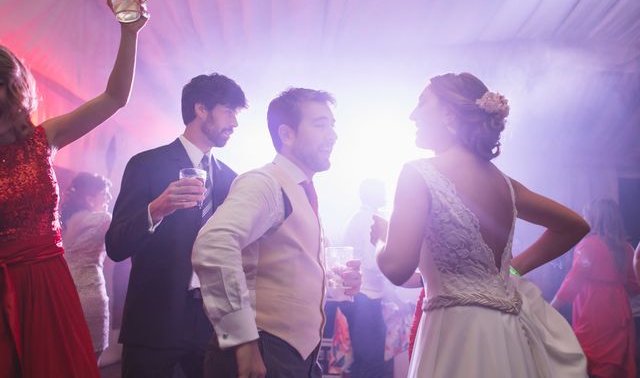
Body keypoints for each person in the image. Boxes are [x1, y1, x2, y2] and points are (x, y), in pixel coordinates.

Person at [373, 72, 590, 377]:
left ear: (449, 114)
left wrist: (382, 240)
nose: (413, 115)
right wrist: (509, 271)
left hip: (454, 331)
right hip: (504, 330)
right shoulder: (504, 184)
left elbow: (397, 268)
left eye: (422, 104)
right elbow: (575, 225)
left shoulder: (417, 173)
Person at [0, 0, 148, 378]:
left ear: (12, 90)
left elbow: (115, 97)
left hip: (48, 284)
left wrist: (129, 33)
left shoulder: (42, 139)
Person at [192, 87, 361, 378]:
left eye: (332, 125)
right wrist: (244, 340)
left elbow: (284, 271)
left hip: (298, 357)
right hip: (263, 350)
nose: (333, 135)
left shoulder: (303, 192)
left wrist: (335, 283)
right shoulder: (265, 182)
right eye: (321, 125)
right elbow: (214, 245)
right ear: (287, 134)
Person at [105, 72, 247, 378]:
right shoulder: (147, 164)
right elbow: (115, 246)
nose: (234, 123)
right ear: (201, 109)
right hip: (154, 320)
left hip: (214, 323)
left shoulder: (231, 179)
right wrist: (157, 209)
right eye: (229, 111)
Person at [552, 199, 640, 378]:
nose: (583, 218)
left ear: (594, 218)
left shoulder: (588, 244)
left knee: (593, 362)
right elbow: (634, 286)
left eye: (586, 215)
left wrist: (551, 307)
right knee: (614, 364)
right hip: (619, 312)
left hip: (594, 311)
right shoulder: (626, 247)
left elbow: (573, 281)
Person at [340, 178, 393, 378]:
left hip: (362, 297)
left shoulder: (359, 217)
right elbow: (372, 263)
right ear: (372, 193)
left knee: (366, 361)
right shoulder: (370, 219)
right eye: (382, 190)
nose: (386, 194)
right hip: (365, 297)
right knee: (371, 364)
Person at [60, 172, 113, 360]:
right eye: (105, 193)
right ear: (90, 199)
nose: (109, 198)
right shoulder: (103, 219)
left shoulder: (62, 222)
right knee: (90, 360)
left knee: (65, 359)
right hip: (90, 295)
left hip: (62, 296)